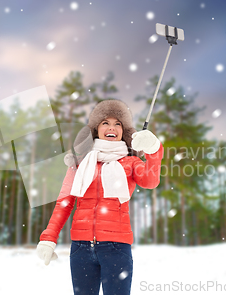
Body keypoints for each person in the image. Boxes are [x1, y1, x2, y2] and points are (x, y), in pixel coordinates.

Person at [36, 99, 163, 295]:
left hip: (117, 248)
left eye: (118, 123)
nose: (112, 127)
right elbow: (64, 202)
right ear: (96, 129)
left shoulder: (130, 163)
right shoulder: (80, 163)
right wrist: (48, 238)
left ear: (124, 131)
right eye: (106, 122)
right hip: (81, 249)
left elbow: (150, 180)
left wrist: (154, 150)